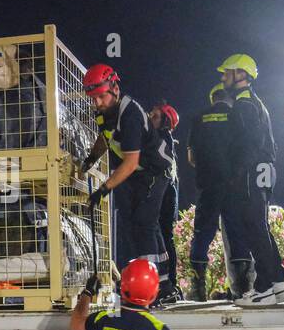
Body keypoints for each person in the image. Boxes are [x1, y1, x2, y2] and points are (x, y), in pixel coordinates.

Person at [80, 64, 176, 299]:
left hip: (154, 170)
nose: (98, 103)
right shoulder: (105, 112)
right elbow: (106, 138)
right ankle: (163, 284)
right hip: (140, 171)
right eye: (94, 98)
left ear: (115, 87)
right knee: (141, 225)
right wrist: (91, 159)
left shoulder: (130, 114)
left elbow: (131, 162)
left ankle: (150, 289)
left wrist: (103, 189)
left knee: (144, 224)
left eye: (102, 96)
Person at [220, 54, 284, 305]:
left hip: (251, 171)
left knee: (254, 228)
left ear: (241, 75)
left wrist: (236, 173)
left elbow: (248, 143)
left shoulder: (244, 104)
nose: (223, 77)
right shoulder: (253, 102)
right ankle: (279, 283)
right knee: (261, 228)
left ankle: (266, 288)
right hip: (261, 169)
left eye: (227, 73)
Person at [185, 83, 252, 300]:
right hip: (233, 185)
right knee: (236, 232)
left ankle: (198, 289)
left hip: (208, 185)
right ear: (227, 99)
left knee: (202, 234)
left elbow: (192, 157)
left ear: (212, 98)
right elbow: (245, 150)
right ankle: (242, 289)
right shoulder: (236, 115)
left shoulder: (198, 118)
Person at [149, 102, 182, 305]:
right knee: (163, 236)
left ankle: (168, 282)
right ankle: (167, 281)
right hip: (166, 193)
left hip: (165, 195)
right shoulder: (164, 139)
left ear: (165, 122)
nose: (150, 117)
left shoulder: (163, 139)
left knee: (164, 237)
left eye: (155, 116)